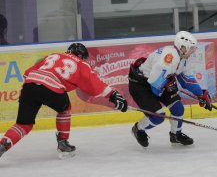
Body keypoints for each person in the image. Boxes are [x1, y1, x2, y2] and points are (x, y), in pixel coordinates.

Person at [0, 43, 128, 159]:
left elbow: (27, 73)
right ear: (82, 56)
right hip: (52, 88)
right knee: (64, 109)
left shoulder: (53, 55)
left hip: (29, 86)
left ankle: (3, 145)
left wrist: (31, 94)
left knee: (23, 124)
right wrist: (113, 95)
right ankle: (63, 143)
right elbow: (94, 84)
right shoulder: (81, 64)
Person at [128, 31, 212, 148]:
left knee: (178, 108)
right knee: (158, 117)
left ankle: (175, 135)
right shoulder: (169, 57)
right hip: (141, 86)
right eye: (191, 48)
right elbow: (154, 82)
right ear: (182, 47)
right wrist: (167, 84)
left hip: (159, 83)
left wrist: (201, 94)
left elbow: (186, 79)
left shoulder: (183, 58)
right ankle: (138, 129)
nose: (192, 52)